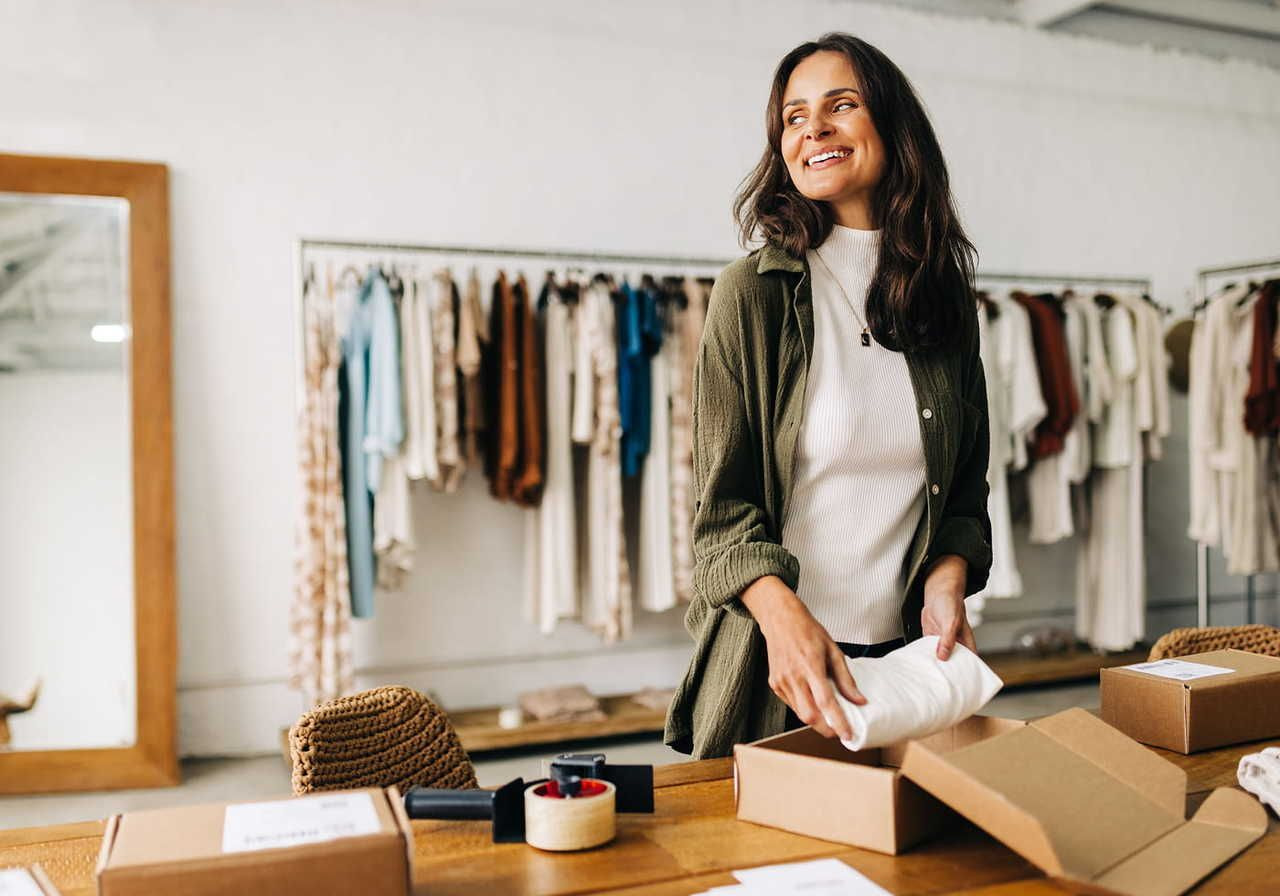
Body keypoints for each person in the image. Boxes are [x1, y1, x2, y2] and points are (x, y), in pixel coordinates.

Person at [664, 33, 992, 759]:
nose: (812, 128)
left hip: (908, 675)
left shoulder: (946, 305)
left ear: (893, 128)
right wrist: (782, 618)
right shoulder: (751, 296)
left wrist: (946, 579)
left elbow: (965, 495)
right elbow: (721, 517)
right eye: (793, 116)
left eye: (841, 105)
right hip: (780, 672)